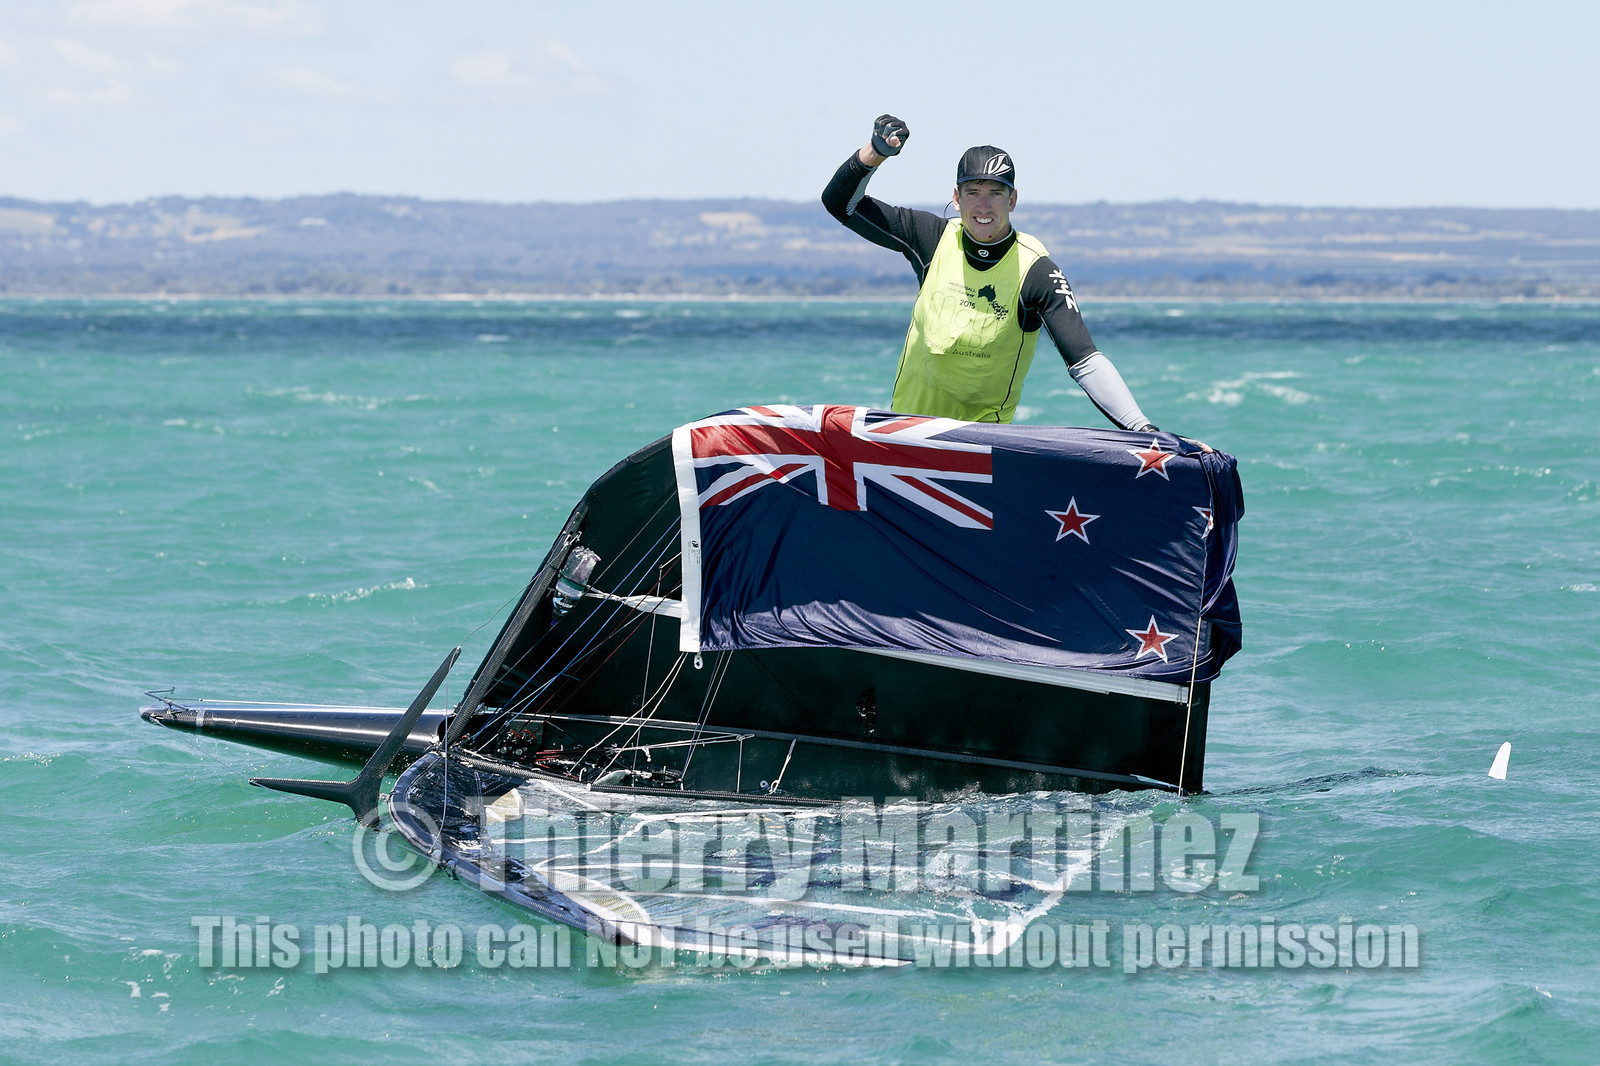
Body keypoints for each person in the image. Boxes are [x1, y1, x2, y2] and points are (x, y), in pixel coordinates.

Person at [822, 114, 1156, 430]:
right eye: (973, 193)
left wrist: (1142, 428)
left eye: (995, 194)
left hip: (980, 448)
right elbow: (841, 204)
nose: (984, 207)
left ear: (1012, 200)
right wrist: (874, 154)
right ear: (956, 198)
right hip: (908, 439)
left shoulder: (1035, 270)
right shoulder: (931, 239)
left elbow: (1085, 360)